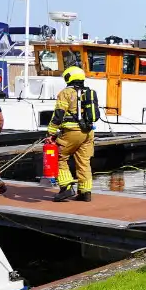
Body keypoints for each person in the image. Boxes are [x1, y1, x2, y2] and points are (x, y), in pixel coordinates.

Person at [46, 66, 97, 202]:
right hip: (88, 133)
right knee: (84, 162)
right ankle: (85, 192)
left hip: (72, 132)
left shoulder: (66, 93)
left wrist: (51, 132)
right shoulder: (88, 92)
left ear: (68, 77)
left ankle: (66, 187)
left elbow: (58, 114)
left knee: (58, 158)